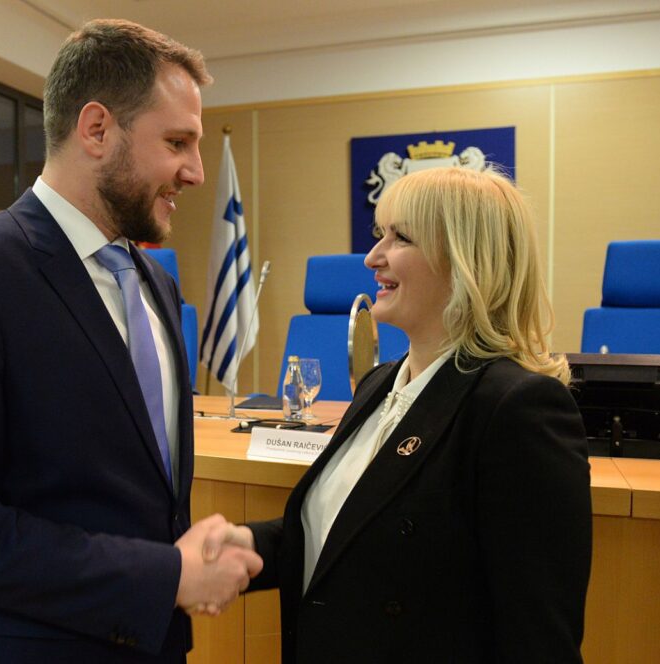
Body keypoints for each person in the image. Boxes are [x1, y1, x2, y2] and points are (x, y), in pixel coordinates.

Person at [0, 19, 261, 664]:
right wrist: (164, 576)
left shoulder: (157, 285)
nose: (196, 172)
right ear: (97, 130)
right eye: (177, 142)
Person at [203, 167, 593, 662]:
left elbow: (539, 639)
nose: (372, 257)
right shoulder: (378, 383)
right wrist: (246, 543)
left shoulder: (518, 409)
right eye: (379, 234)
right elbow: (350, 533)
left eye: (401, 238)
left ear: (467, 262)